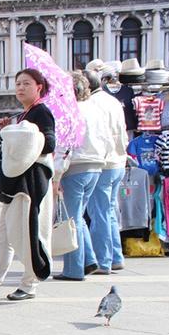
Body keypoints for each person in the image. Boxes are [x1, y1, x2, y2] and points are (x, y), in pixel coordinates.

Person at [0, 68, 55, 301]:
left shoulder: (41, 112)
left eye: (26, 83)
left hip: (30, 185)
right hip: (16, 184)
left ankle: (30, 284)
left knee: (26, 233)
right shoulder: (25, 114)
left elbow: (48, 144)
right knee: (4, 235)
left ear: (39, 87)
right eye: (18, 84)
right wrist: (8, 130)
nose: (20, 88)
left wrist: (16, 132)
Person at [54, 71, 111, 281]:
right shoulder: (95, 110)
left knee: (71, 219)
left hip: (75, 166)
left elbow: (63, 146)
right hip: (95, 165)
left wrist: (56, 175)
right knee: (78, 216)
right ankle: (89, 259)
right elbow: (107, 138)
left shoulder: (69, 112)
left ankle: (74, 269)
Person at [85, 70, 129, 273]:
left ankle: (104, 260)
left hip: (103, 163)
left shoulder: (92, 104)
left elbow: (97, 135)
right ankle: (116, 256)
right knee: (109, 211)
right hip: (118, 161)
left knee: (99, 213)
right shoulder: (112, 100)